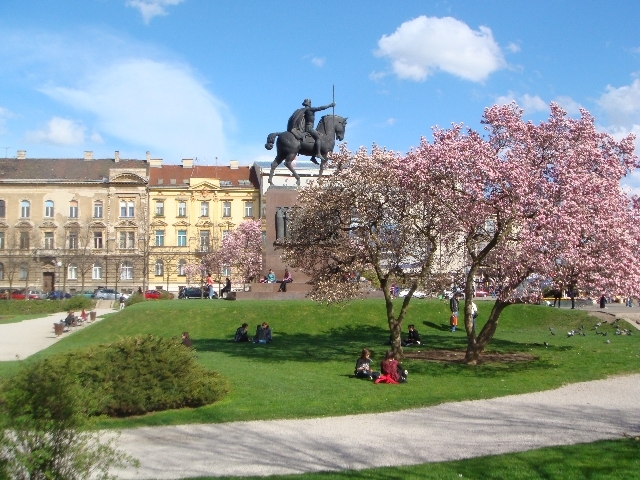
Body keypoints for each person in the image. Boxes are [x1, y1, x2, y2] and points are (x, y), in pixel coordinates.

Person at [287, 98, 336, 164]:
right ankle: (318, 153)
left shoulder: (304, 110)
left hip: (309, 127)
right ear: (309, 104)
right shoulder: (310, 109)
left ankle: (313, 157)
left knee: (315, 138)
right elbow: (320, 108)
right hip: (309, 128)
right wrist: (330, 105)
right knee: (318, 138)